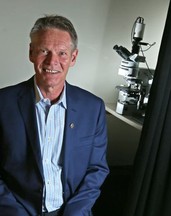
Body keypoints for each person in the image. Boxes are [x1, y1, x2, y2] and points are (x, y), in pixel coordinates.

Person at [0, 15, 109, 216]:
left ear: (73, 58)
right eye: (44, 51)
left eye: (62, 53)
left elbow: (96, 170)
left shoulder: (93, 108)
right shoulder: (3, 103)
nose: (53, 61)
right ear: (31, 53)